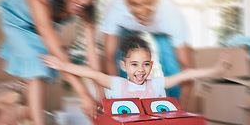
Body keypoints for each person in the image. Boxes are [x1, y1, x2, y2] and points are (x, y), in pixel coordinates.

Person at [0, 0, 103, 125]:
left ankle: (28, 115)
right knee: (38, 71)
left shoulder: (87, 6)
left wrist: (99, 94)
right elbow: (59, 56)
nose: (85, 2)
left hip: (42, 25)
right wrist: (83, 93)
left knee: (43, 72)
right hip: (17, 22)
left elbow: (92, 52)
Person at [101, 0, 193, 108]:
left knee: (172, 67)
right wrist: (117, 101)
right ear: (126, 1)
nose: (142, 10)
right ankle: (129, 100)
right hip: (127, 27)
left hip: (161, 29)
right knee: (122, 59)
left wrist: (182, 103)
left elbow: (187, 67)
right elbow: (108, 57)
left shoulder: (171, 15)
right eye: (134, 4)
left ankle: (173, 107)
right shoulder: (115, 9)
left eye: (147, 3)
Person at [40, 35, 230, 99]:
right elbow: (93, 74)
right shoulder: (117, 84)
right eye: (134, 64)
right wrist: (64, 65)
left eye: (146, 64)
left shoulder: (155, 84)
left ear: (151, 65)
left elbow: (185, 74)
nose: (140, 69)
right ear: (123, 66)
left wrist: (215, 71)